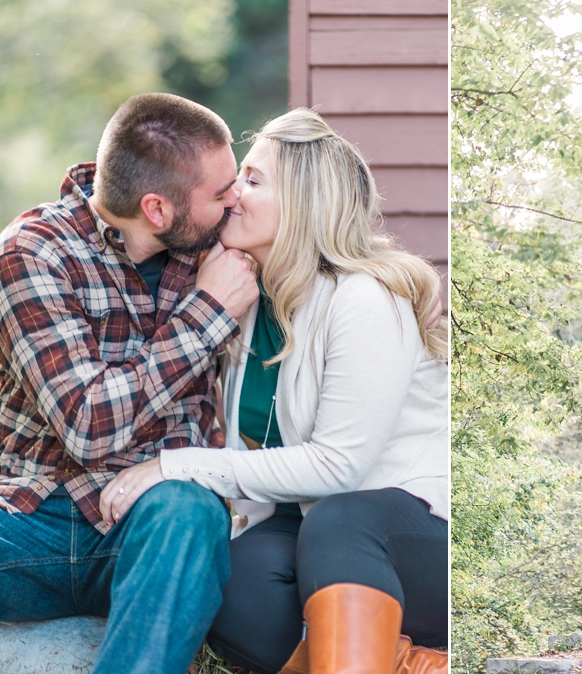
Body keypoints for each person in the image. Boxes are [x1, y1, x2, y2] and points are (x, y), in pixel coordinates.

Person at [102, 108, 449, 674]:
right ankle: (405, 663)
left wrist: (176, 466)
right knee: (227, 575)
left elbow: (337, 468)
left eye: (254, 180)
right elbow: (145, 192)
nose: (233, 192)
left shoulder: (363, 300)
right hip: (319, 534)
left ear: (306, 203)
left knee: (342, 518)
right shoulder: (244, 296)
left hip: (416, 537)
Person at [0, 93, 260, 673]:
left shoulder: (220, 248)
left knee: (191, 512)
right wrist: (206, 313)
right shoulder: (32, 253)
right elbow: (87, 425)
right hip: (25, 519)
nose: (235, 199)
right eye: (221, 193)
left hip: (153, 525)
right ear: (158, 210)